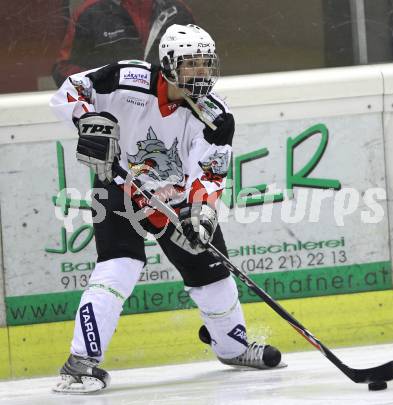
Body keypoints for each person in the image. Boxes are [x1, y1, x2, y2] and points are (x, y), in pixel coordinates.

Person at [49, 23, 284, 394]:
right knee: (120, 266)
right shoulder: (128, 79)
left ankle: (232, 348)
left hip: (173, 199)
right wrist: (86, 120)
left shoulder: (216, 117)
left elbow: (210, 173)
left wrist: (200, 212)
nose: (202, 74)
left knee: (213, 275)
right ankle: (81, 363)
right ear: (169, 64)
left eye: (206, 65)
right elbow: (71, 90)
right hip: (118, 187)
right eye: (192, 65)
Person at [52, 0, 194, 87]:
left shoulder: (178, 11)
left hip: (167, 113)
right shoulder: (91, 12)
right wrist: (109, 84)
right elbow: (64, 71)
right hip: (112, 114)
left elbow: (201, 63)